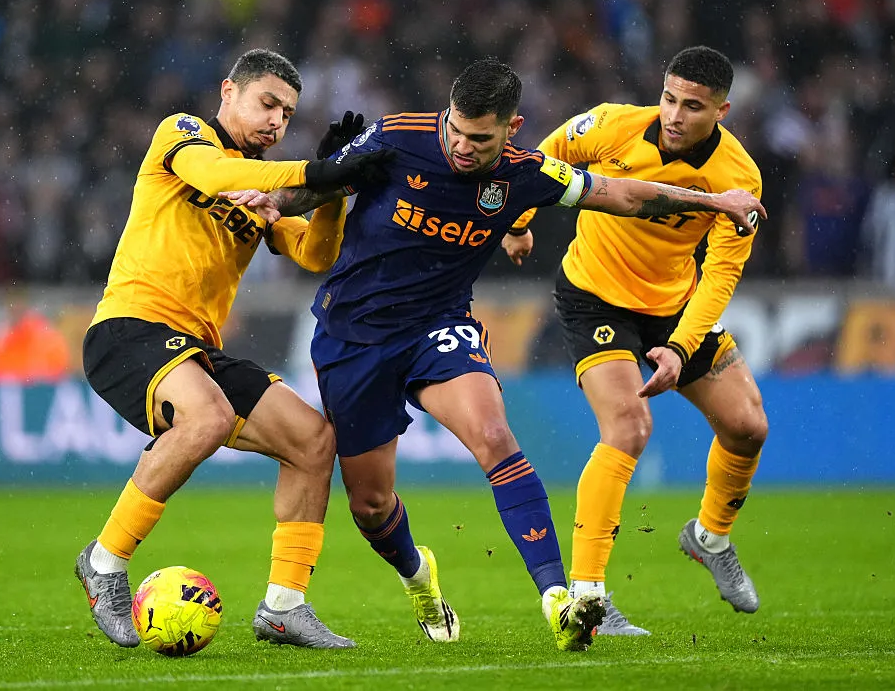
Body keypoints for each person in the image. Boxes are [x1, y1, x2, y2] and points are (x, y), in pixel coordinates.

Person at [221, 57, 764, 651]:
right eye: (454, 130)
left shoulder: (524, 174)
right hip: (355, 338)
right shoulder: (401, 135)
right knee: (372, 505)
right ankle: (418, 575)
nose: (461, 147)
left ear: (511, 129)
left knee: (494, 437)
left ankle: (562, 599)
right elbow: (325, 180)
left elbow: (623, 196)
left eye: (479, 139)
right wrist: (279, 201)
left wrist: (716, 204)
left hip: (440, 326)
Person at [75, 48, 392, 650]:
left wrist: (330, 193)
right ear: (228, 92)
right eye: (266, 103)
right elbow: (219, 177)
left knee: (313, 441)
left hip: (195, 348)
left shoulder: (263, 190)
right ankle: (106, 561)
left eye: (287, 112)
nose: (276, 120)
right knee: (211, 416)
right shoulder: (185, 135)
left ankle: (284, 606)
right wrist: (315, 173)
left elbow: (316, 255)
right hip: (129, 327)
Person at [502, 46, 768, 636]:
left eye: (692, 106)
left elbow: (722, 272)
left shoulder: (737, 178)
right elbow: (539, 157)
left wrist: (680, 346)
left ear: (721, 111)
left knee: (748, 426)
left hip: (674, 308)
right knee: (628, 428)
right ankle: (589, 596)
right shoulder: (611, 124)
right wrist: (518, 224)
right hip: (593, 295)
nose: (674, 115)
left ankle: (709, 537)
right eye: (670, 98)